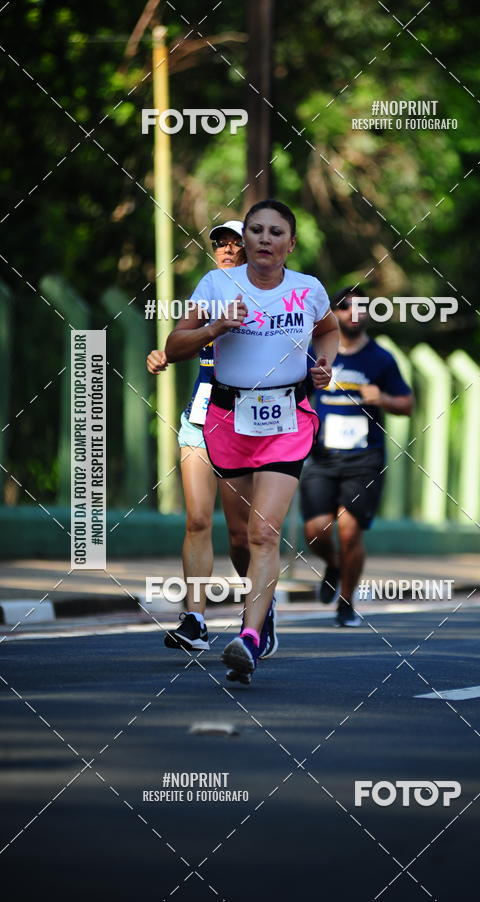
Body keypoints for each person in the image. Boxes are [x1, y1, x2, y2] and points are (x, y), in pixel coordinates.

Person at [165, 199, 339, 683]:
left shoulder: (308, 290)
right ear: (247, 240)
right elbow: (175, 345)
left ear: (291, 243)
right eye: (256, 230)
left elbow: (329, 330)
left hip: (288, 416)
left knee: (265, 532)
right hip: (228, 418)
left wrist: (324, 367)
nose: (264, 239)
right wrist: (216, 326)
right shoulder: (217, 285)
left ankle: (249, 636)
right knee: (239, 536)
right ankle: (261, 610)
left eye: (275, 232)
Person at [147, 221, 277, 660]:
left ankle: (259, 609)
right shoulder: (208, 290)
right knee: (197, 522)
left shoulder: (272, 297)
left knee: (241, 537)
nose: (225, 249)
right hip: (199, 421)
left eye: (234, 242)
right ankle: (195, 620)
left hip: (244, 426)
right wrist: (171, 350)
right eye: (219, 242)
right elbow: (177, 341)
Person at [300, 285, 413, 626]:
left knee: (349, 529)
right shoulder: (316, 352)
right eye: (346, 307)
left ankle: (347, 602)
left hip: (364, 458)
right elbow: (296, 392)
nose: (353, 313)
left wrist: (384, 399)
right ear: (334, 313)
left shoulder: (380, 358)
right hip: (321, 455)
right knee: (316, 530)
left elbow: (407, 404)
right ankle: (334, 565)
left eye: (361, 307)